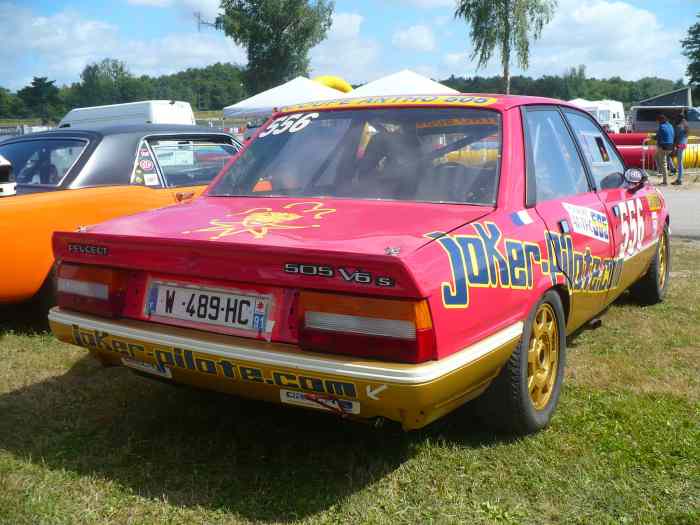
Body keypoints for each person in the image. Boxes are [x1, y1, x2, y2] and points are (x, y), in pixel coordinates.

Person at [654, 114, 674, 185]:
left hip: (664, 147)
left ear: (661, 120)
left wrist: (653, 138)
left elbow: (658, 137)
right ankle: (661, 171)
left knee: (664, 163)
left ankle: (665, 181)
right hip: (671, 147)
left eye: (658, 121)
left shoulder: (661, 126)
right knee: (656, 156)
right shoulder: (670, 125)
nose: (658, 122)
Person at [672, 112, 689, 185]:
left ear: (679, 118)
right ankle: (679, 178)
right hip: (684, 144)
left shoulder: (678, 126)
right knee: (680, 161)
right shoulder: (685, 125)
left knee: (679, 162)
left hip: (680, 144)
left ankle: (679, 179)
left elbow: (676, 137)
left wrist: (674, 146)